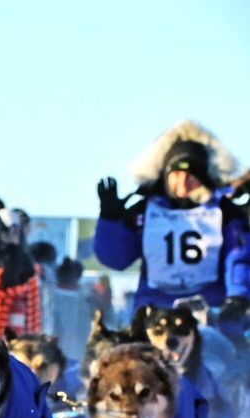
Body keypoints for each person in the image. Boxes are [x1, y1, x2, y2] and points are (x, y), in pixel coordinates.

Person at [93, 120, 249, 332]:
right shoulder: (144, 211)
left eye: (191, 176)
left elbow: (238, 259)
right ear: (165, 175)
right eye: (176, 174)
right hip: (152, 316)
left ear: (203, 177)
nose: (183, 184)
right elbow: (115, 259)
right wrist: (110, 219)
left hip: (212, 315)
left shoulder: (225, 213)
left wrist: (238, 298)